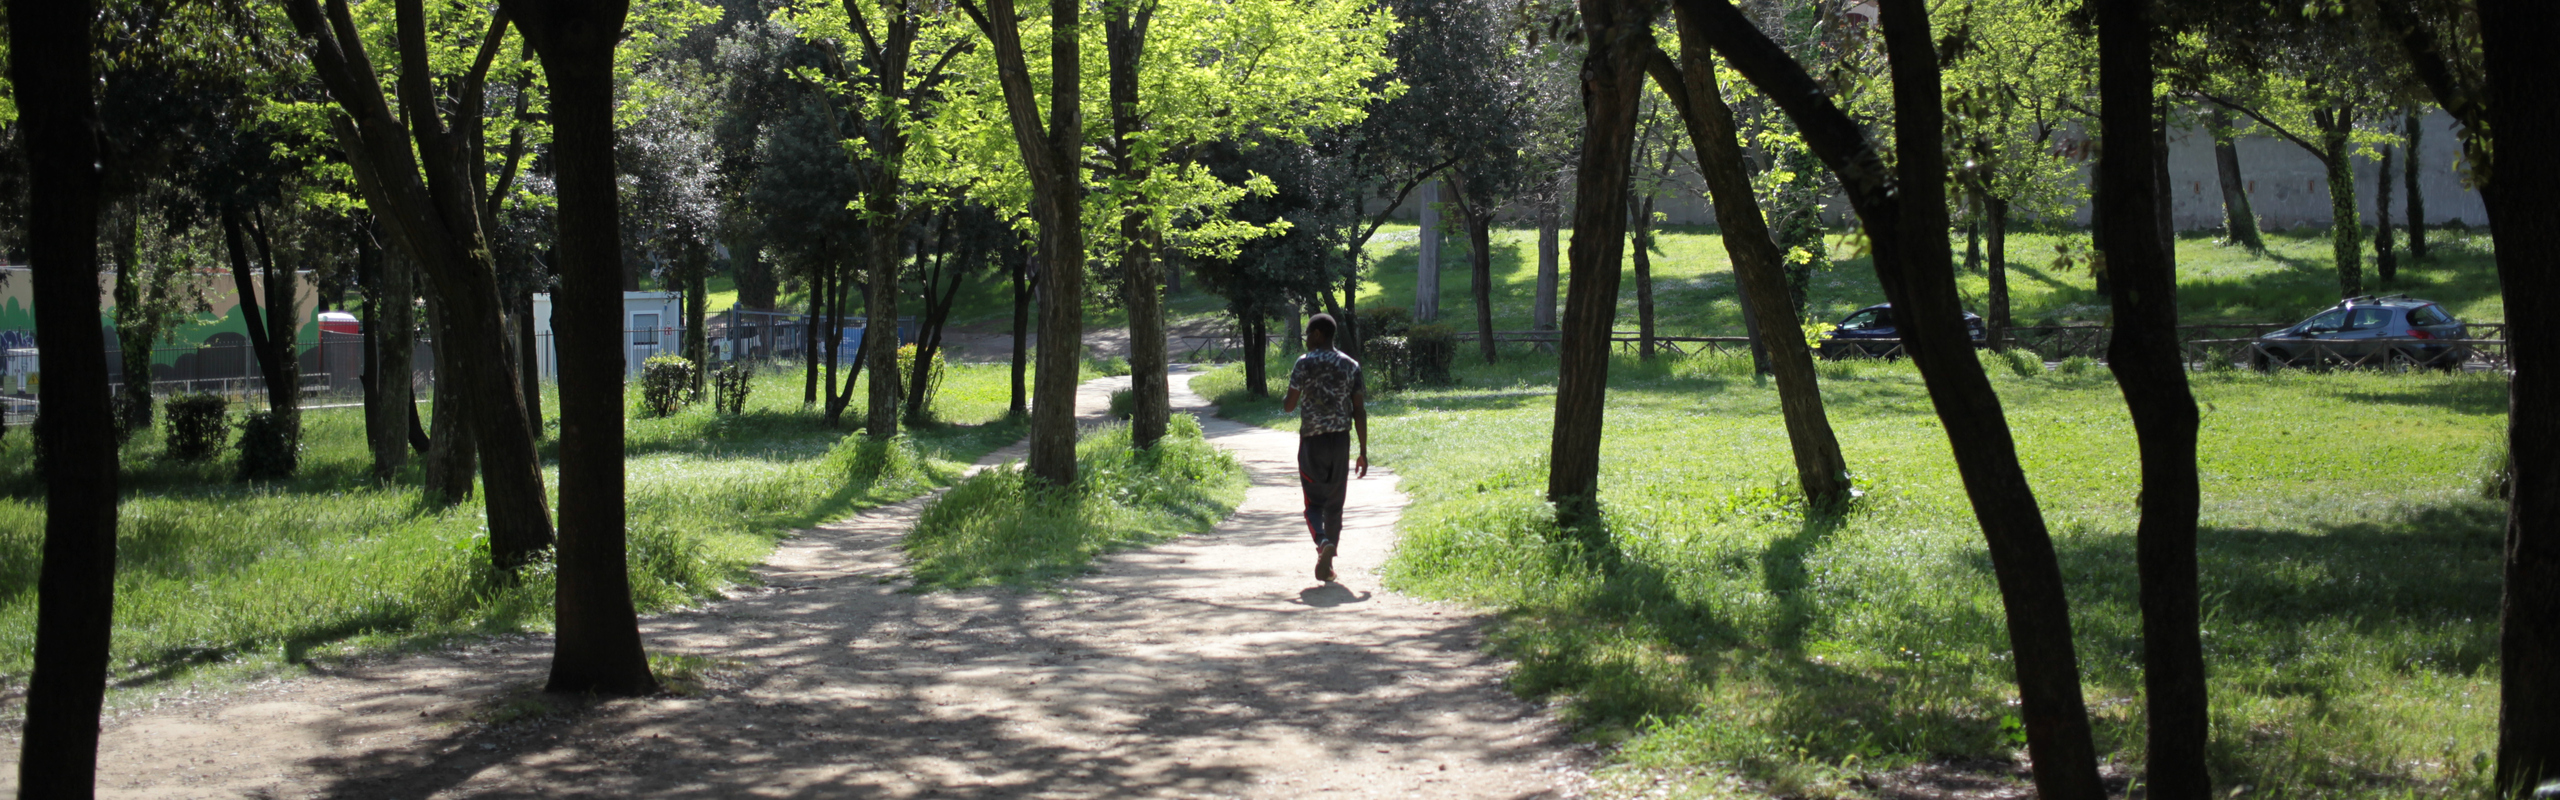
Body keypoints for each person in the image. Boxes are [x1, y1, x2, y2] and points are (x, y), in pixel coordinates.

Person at [1283, 313, 1368, 583]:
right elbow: (1359, 410)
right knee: (1335, 503)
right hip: (1341, 442)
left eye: (1308, 334)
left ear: (1318, 334)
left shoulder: (1304, 363)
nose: (1307, 339)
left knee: (1313, 503)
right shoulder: (1351, 365)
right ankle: (1329, 561)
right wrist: (1363, 452)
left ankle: (1322, 542)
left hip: (1312, 442)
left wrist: (1291, 394)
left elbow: (1289, 405)